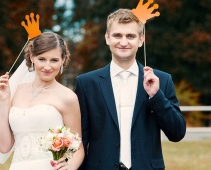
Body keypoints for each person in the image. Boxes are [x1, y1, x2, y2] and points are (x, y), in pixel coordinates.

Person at [75, 9, 186, 170]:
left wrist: (156, 96)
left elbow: (177, 133)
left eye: (130, 36)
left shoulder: (162, 80)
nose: (124, 42)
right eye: (117, 35)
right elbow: (80, 141)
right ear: (107, 38)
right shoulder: (86, 83)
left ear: (141, 40)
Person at [0, 32, 84, 170]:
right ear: (32, 57)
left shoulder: (68, 97)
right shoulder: (15, 91)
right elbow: (4, 147)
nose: (47, 66)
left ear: (63, 60)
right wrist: (4, 101)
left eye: (54, 60)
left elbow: (77, 147)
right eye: (42, 59)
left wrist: (69, 167)